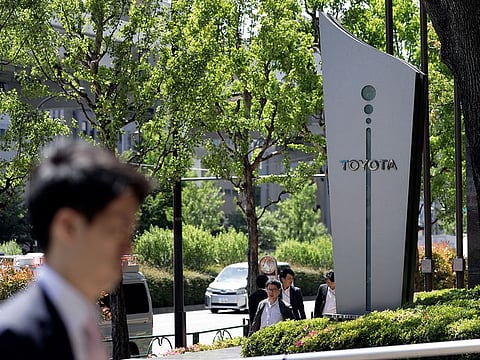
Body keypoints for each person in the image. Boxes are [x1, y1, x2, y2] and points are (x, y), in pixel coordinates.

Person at [0, 139, 151, 360]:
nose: (127, 246)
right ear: (68, 227)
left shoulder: (82, 323)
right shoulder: (14, 339)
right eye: (116, 229)